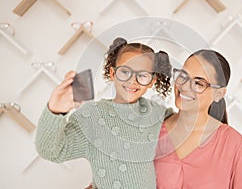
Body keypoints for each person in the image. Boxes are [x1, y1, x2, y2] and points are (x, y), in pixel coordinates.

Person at [35, 37, 173, 189]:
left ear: (152, 81)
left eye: (142, 75)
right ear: (113, 73)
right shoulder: (93, 116)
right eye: (125, 71)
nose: (132, 81)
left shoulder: (157, 113)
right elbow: (50, 151)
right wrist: (55, 111)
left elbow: (187, 124)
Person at [154, 49, 242, 188]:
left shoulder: (234, 145)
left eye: (199, 83)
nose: (184, 86)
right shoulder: (152, 131)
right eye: (183, 76)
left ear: (219, 94)